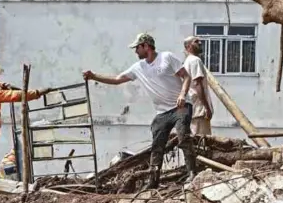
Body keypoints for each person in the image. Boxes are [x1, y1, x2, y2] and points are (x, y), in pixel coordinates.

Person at [83, 33, 197, 189]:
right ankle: (153, 181)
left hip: (180, 107)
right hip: (162, 113)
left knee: (183, 136)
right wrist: (94, 76)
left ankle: (192, 173)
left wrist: (183, 95)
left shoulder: (167, 57)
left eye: (137, 48)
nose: (135, 51)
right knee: (157, 146)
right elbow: (117, 80)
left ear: (146, 46)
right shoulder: (139, 67)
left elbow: (186, 77)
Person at [182, 36, 214, 136]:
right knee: (201, 141)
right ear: (188, 47)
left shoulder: (187, 61)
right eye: (196, 41)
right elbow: (198, 85)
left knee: (194, 140)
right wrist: (206, 107)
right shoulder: (195, 60)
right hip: (198, 109)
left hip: (191, 108)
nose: (200, 43)